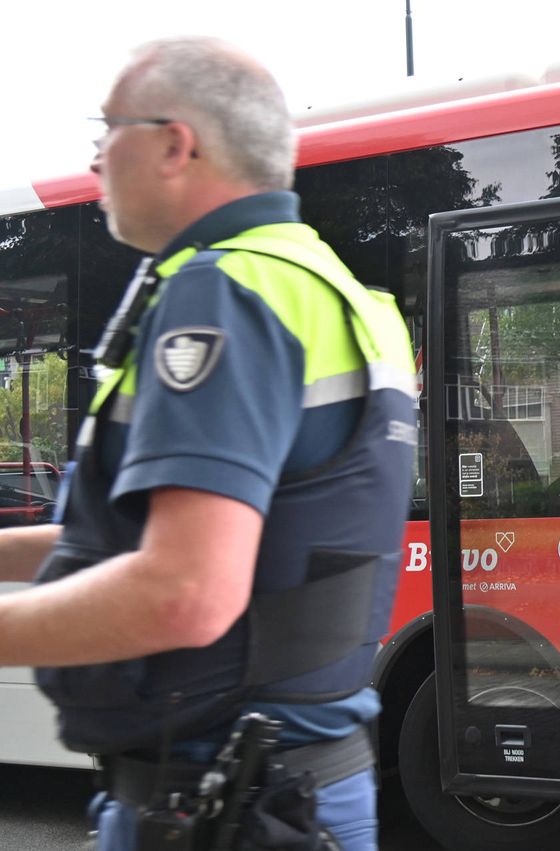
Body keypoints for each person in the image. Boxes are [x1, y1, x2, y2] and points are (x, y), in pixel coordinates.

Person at [0, 37, 416, 850]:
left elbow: (185, 590)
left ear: (173, 143)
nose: (93, 155)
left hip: (220, 803)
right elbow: (164, 540)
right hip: (294, 789)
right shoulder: (336, 291)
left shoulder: (222, 289)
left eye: (106, 127)